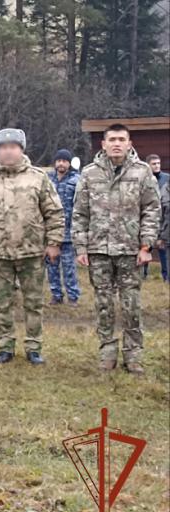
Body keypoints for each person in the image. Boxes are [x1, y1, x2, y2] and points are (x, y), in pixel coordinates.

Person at [0, 128, 64, 365]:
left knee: (34, 303)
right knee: (2, 302)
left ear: (21, 149)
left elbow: (53, 212)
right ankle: (5, 346)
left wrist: (54, 242)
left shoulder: (38, 178)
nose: (8, 151)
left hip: (31, 252)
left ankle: (34, 346)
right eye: (3, 147)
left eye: (13, 146)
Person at [72, 123, 160, 374]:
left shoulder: (142, 173)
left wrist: (146, 245)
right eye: (112, 139)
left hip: (130, 251)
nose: (117, 143)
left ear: (130, 143)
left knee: (131, 305)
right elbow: (79, 212)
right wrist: (81, 246)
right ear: (103, 144)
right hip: (99, 250)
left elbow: (152, 210)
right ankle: (107, 352)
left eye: (122, 139)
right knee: (104, 304)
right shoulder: (89, 174)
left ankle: (133, 355)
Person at [46, 149, 81, 305]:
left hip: (68, 232)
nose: (61, 163)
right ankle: (56, 294)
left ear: (69, 163)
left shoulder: (76, 180)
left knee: (69, 267)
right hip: (50, 232)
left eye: (64, 161)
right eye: (58, 161)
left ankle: (72, 296)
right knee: (52, 266)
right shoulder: (47, 180)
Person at [145, 154, 168, 282]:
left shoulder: (166, 179)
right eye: (154, 164)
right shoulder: (144, 178)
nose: (157, 166)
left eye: (158, 163)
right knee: (145, 247)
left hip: (163, 219)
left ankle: (166, 276)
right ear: (148, 165)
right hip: (147, 218)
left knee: (163, 249)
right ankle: (143, 275)